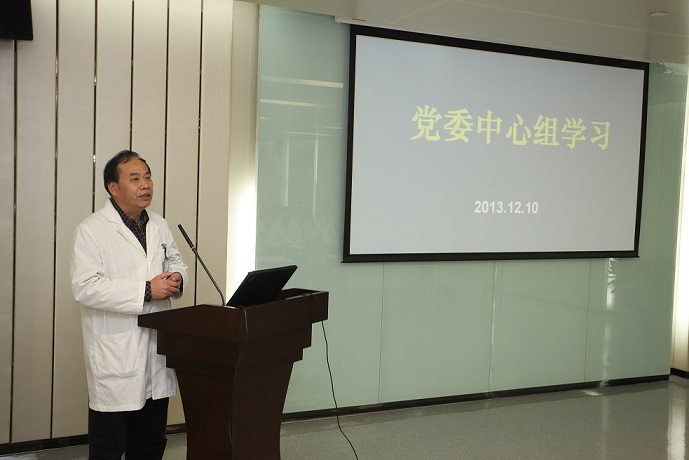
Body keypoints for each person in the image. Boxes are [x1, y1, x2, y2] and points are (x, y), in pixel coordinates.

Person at [70, 150, 188, 460]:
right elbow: (85, 287)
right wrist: (146, 290)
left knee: (150, 444)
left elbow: (176, 261)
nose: (145, 184)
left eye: (147, 177)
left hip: (156, 351)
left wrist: (177, 277)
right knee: (108, 449)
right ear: (113, 187)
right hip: (116, 355)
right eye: (134, 179)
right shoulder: (92, 230)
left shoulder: (158, 224)